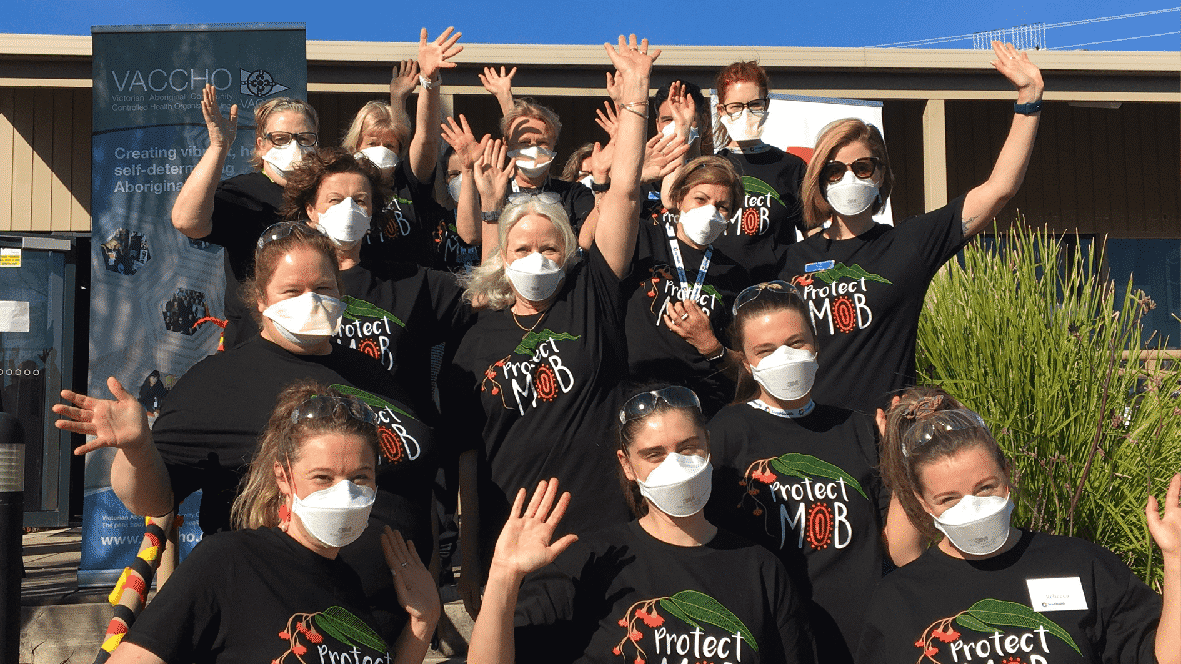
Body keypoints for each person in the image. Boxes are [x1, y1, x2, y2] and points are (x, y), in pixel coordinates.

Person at [55, 225, 434, 635]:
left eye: (323, 286)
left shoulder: (372, 373)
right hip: (284, 626)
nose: (312, 300)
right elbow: (152, 497)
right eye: (293, 290)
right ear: (260, 299)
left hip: (393, 618)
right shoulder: (215, 384)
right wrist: (136, 449)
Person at [440, 34, 658, 612]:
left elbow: (628, 196)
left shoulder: (592, 295)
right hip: (512, 547)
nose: (535, 259)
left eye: (549, 247)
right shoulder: (474, 339)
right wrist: (470, 552)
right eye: (521, 249)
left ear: (569, 251)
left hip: (604, 535)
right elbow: (467, 459)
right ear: (501, 258)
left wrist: (635, 100)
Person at [779, 41, 1043, 414]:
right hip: (808, 434)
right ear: (819, 180)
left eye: (863, 167)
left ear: (881, 173)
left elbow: (999, 189)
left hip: (883, 438)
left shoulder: (910, 243)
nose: (848, 178)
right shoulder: (791, 260)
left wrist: (1029, 99)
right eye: (835, 171)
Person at [467, 385, 816, 664]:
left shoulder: (759, 568)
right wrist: (503, 576)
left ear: (708, 448)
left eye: (688, 447)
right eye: (654, 454)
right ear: (627, 465)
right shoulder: (592, 563)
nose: (675, 464)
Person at [97, 381, 440, 663]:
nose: (345, 494)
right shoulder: (228, 563)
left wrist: (423, 622)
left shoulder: (347, 582)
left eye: (360, 477)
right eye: (322, 477)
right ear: (283, 478)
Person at [857, 386, 1179, 664]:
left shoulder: (1082, 566)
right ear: (923, 502)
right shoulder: (900, 600)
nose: (972, 507)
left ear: (1007, 473)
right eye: (948, 499)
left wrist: (1177, 559)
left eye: (985, 488)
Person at [704, 281, 920, 664]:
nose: (783, 357)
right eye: (765, 350)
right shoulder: (725, 434)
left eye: (795, 342)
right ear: (748, 362)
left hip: (863, 638)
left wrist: (898, 460)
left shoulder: (860, 428)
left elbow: (902, 550)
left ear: (816, 346)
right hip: (777, 640)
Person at [282, 147, 473, 420]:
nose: (348, 209)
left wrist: (489, 206)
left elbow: (489, 294)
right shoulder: (288, 287)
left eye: (359, 200)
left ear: (372, 211)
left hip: (401, 444)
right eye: (335, 200)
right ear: (311, 209)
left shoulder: (411, 282)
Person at [171, 89, 319, 348]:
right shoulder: (243, 193)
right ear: (261, 145)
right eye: (281, 138)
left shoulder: (328, 193)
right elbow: (187, 221)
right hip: (253, 340)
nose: (294, 146)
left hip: (318, 334)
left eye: (304, 138)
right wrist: (219, 145)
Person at [623, 155, 748, 416]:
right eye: (700, 199)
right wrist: (628, 182)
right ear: (679, 199)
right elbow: (591, 239)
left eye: (722, 206)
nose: (710, 211)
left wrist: (709, 344)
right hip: (638, 398)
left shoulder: (734, 273)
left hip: (703, 404)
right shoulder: (643, 238)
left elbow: (745, 364)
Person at [341, 27, 464, 268]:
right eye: (372, 143)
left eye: (389, 145)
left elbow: (426, 138)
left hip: (409, 292)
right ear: (356, 144)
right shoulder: (341, 183)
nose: (380, 149)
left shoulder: (408, 180)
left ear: (400, 150)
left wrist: (429, 82)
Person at [712, 60, 806, 279]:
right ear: (721, 110)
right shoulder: (710, 167)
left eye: (754, 104)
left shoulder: (791, 167)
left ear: (767, 105)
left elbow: (812, 234)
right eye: (735, 106)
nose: (745, 113)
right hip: (720, 290)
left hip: (776, 293)